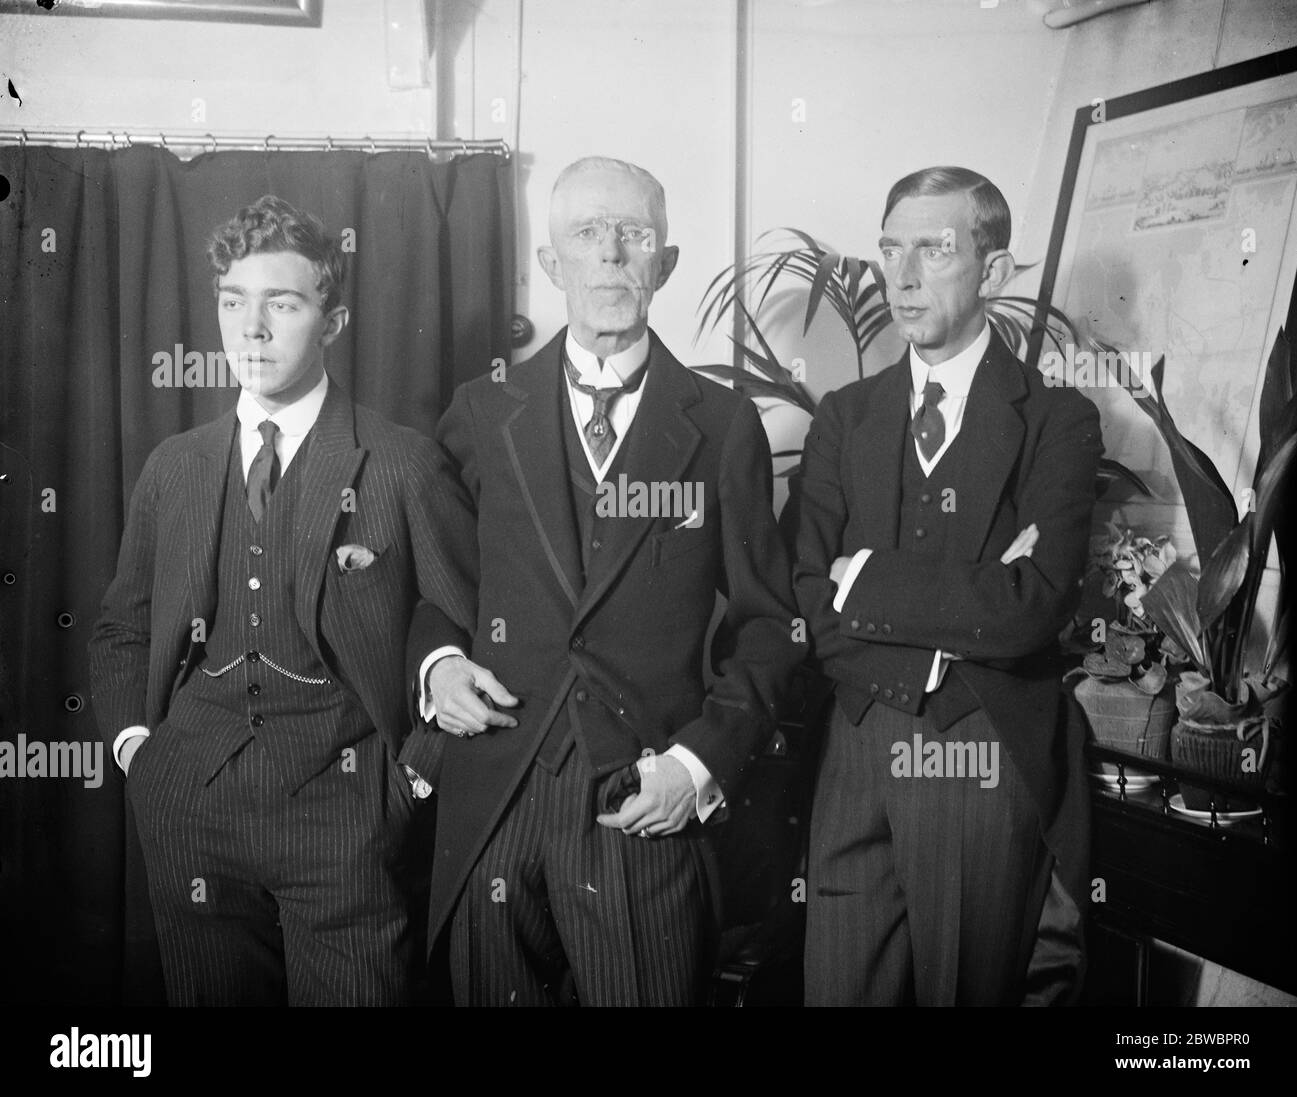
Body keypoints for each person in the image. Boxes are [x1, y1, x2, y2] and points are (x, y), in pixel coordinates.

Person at [398, 156, 802, 1006]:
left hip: (639, 807)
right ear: (552, 265)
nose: (612, 254)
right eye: (587, 233)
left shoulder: (724, 428)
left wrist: (697, 764)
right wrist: (437, 666)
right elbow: (435, 587)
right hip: (493, 800)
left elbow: (772, 625)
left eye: (635, 235)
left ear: (666, 262)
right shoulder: (480, 411)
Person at [89, 195, 462, 1005]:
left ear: (332, 322)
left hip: (349, 818)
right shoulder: (175, 467)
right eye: (233, 303)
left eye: (282, 304)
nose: (250, 329)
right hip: (191, 808)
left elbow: (469, 633)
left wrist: (414, 784)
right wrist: (135, 754)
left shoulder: (401, 464)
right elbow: (122, 625)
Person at [794, 166, 1102, 1006]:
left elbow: (1031, 606)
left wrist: (865, 576)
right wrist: (966, 592)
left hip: (979, 751)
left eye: (934, 249)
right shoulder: (844, 417)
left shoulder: (1055, 420)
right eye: (891, 249)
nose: (901, 276)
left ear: (995, 273)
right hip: (854, 749)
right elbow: (806, 593)